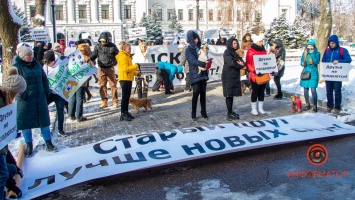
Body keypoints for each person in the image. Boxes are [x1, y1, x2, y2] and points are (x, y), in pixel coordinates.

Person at [13, 45, 56, 157]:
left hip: (40, 99)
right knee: (26, 124)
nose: (31, 56)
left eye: (31, 54)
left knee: (44, 121)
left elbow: (44, 79)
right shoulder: (16, 67)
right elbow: (14, 85)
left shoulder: (36, 64)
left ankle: (48, 142)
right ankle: (29, 145)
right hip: (25, 101)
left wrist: (46, 90)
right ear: (22, 56)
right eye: (28, 54)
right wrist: (23, 95)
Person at [0, 67, 27, 199]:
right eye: (18, 93)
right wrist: (12, 186)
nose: (18, 96)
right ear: (13, 91)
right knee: (3, 174)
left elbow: (3, 145)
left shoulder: (4, 101)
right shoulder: (1, 105)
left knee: (10, 169)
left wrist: (16, 169)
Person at [322, 35, 352, 114]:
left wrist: (339, 61)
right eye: (330, 43)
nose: (331, 44)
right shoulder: (327, 51)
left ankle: (337, 107)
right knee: (328, 91)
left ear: (336, 43)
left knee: (337, 91)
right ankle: (329, 105)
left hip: (337, 75)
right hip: (328, 75)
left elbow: (348, 59)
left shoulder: (342, 50)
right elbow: (323, 60)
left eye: (333, 43)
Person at [185, 30, 212, 121]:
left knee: (203, 94)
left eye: (197, 38)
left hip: (203, 74)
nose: (196, 40)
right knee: (195, 93)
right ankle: (193, 113)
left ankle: (203, 112)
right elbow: (193, 61)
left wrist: (208, 62)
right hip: (195, 74)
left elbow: (205, 58)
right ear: (190, 40)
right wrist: (204, 64)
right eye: (194, 39)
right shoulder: (188, 50)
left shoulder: (201, 48)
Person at [90, 32, 119, 108]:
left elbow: (118, 55)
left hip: (110, 67)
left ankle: (115, 101)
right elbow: (93, 56)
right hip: (101, 68)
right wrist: (89, 58)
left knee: (113, 85)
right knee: (102, 85)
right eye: (101, 41)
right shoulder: (97, 46)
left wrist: (115, 62)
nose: (102, 42)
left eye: (104, 40)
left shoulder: (112, 46)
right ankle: (104, 101)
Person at [43, 51, 67, 136]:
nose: (48, 64)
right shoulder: (45, 66)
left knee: (60, 111)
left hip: (59, 93)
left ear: (54, 60)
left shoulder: (61, 64)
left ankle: (60, 129)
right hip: (49, 92)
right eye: (46, 63)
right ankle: (44, 129)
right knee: (43, 109)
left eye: (49, 62)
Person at [222, 37, 246, 120]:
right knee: (229, 94)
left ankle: (231, 111)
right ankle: (229, 113)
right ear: (230, 44)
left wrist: (242, 64)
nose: (235, 45)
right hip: (228, 75)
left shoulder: (235, 53)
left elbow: (242, 62)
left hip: (234, 75)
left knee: (231, 94)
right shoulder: (227, 52)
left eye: (236, 43)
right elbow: (231, 63)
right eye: (234, 43)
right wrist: (240, 65)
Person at [68, 40, 92, 122]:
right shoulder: (86, 56)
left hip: (72, 78)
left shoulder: (74, 54)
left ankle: (71, 115)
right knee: (79, 98)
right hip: (81, 80)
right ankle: (79, 116)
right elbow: (89, 68)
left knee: (72, 97)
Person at [116, 41, 139, 121]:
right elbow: (126, 69)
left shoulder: (128, 56)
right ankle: (123, 113)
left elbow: (130, 69)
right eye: (129, 48)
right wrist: (136, 66)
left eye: (130, 48)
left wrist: (136, 73)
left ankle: (126, 112)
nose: (130, 50)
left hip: (128, 78)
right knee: (124, 97)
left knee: (127, 97)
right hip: (124, 79)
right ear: (124, 49)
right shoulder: (123, 57)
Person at [246, 34, 268, 116]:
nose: (261, 43)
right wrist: (253, 70)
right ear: (256, 42)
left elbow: (266, 61)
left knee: (262, 91)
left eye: (262, 41)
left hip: (263, 74)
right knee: (255, 91)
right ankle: (254, 108)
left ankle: (260, 107)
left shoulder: (263, 50)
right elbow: (248, 63)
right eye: (259, 41)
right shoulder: (250, 51)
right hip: (255, 75)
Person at [300, 39, 321, 112]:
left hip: (313, 73)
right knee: (305, 89)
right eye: (309, 46)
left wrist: (312, 54)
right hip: (306, 72)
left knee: (313, 89)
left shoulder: (317, 53)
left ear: (314, 46)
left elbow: (316, 62)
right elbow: (301, 62)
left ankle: (315, 105)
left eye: (311, 46)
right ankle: (307, 104)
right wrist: (303, 63)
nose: (310, 47)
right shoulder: (305, 53)